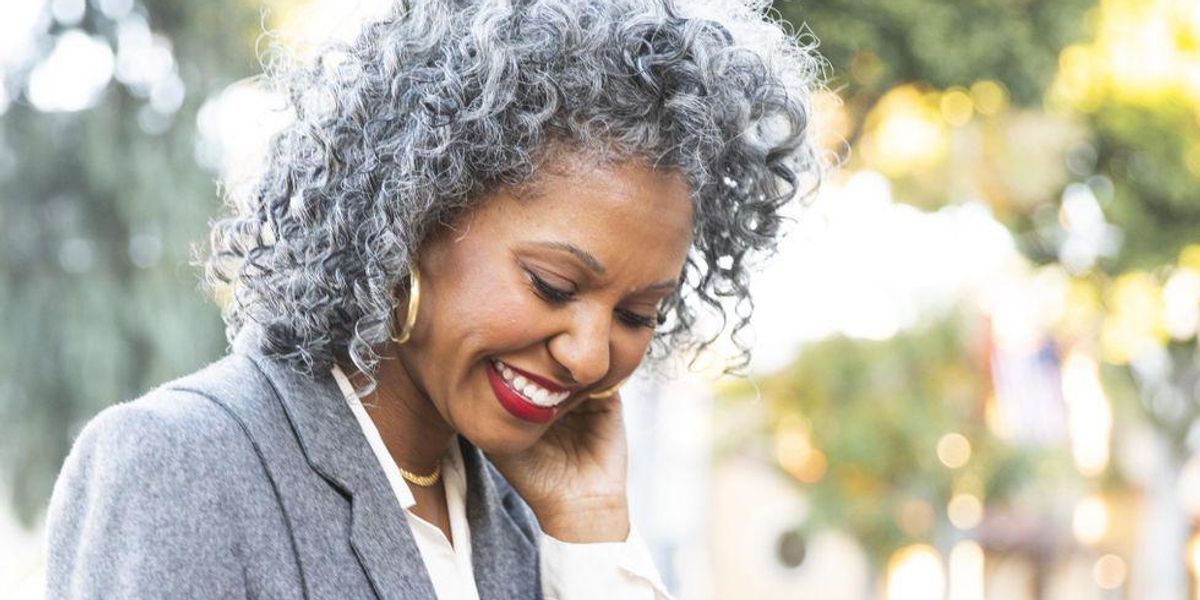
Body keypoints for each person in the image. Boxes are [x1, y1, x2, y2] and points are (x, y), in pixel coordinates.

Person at [44, 0, 823, 597]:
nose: (591, 354)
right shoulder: (184, 463)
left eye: (636, 314)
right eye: (553, 285)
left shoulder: (530, 521)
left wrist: (590, 538)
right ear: (414, 215)